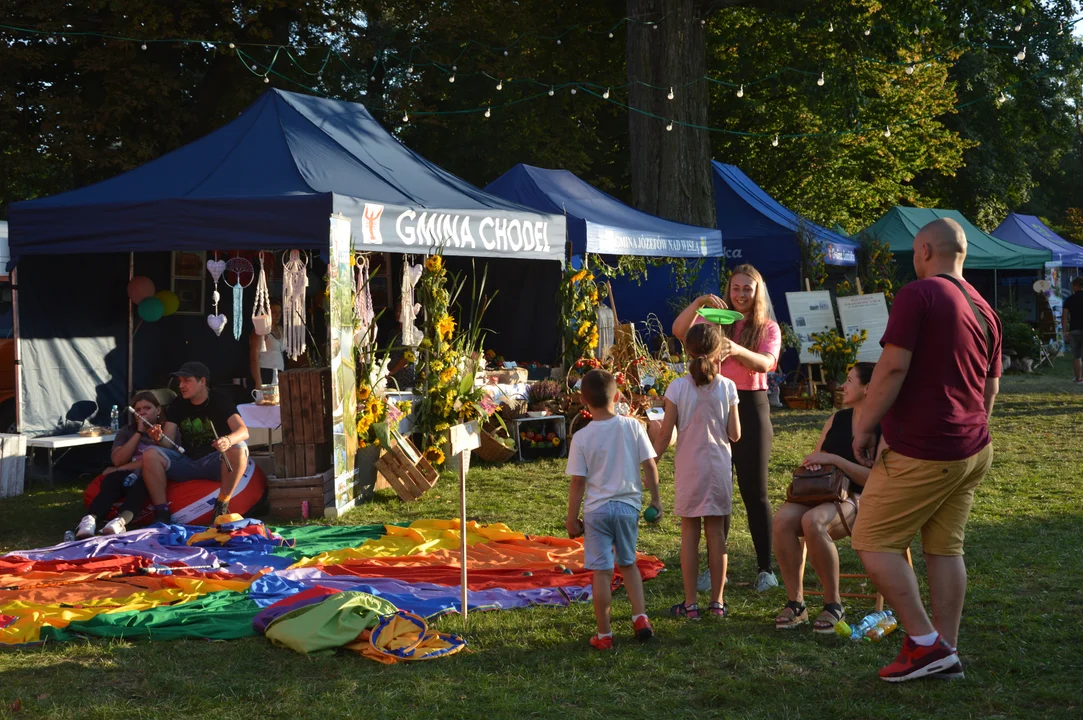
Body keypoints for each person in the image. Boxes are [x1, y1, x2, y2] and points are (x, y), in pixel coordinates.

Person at [851, 218, 1001, 683]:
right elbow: (991, 387)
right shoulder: (985, 308)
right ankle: (946, 650)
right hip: (972, 448)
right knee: (944, 548)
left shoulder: (920, 294)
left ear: (924, 251)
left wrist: (862, 424)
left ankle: (924, 643)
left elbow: (892, 369)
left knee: (872, 541)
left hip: (926, 448)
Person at [673, 264, 782, 592]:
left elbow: (767, 363)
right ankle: (715, 569)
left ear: (757, 292)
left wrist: (736, 350)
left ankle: (766, 568)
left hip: (751, 405)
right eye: (735, 288)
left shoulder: (768, 327)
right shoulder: (713, 319)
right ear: (728, 289)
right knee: (717, 494)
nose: (741, 295)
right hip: (716, 405)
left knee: (755, 491)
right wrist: (699, 303)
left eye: (747, 289)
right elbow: (680, 331)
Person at [772, 362, 880, 632]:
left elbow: (876, 478)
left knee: (813, 521)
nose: (843, 385)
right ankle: (796, 603)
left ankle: (834, 605)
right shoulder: (837, 419)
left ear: (868, 388)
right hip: (825, 493)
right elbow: (817, 456)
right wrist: (813, 464)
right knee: (782, 520)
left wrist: (833, 459)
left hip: (862, 497)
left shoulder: (883, 426)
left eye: (850, 380)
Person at [566, 369, 662, 650]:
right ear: (617, 396)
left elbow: (577, 483)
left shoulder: (582, 438)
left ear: (583, 402)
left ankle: (605, 635)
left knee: (602, 573)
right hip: (628, 507)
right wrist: (656, 500)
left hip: (596, 512)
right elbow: (650, 465)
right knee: (629, 563)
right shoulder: (633, 426)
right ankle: (641, 617)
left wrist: (572, 519)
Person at [652, 323, 741, 620]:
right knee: (716, 535)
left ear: (686, 351)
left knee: (689, 534)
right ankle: (717, 603)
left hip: (689, 467)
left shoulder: (677, 387)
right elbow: (735, 433)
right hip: (717, 466)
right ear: (718, 352)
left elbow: (665, 433)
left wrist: (652, 460)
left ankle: (690, 604)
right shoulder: (727, 386)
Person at [142, 361, 250, 523]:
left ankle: (221, 505)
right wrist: (159, 438)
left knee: (239, 448)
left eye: (187, 381)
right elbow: (169, 443)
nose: (182, 386)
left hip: (215, 460)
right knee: (150, 453)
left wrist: (227, 441)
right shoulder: (178, 404)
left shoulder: (220, 400)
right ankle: (162, 513)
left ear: (202, 381)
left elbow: (243, 431)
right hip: (188, 460)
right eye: (180, 381)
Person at [73, 392, 163, 538]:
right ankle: (90, 520)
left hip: (149, 474)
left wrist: (119, 468)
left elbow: (153, 460)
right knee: (111, 481)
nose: (142, 413)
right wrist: (139, 432)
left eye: (147, 408)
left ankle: (119, 522)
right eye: (138, 410)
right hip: (126, 473)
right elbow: (118, 459)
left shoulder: (166, 430)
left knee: (141, 485)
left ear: (158, 410)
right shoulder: (126, 431)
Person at [250, 302, 285, 388]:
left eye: (279, 312)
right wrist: (258, 382)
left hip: (279, 371)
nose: (277, 315)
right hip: (266, 371)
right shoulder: (260, 330)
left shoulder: (281, 329)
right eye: (274, 312)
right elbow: (254, 357)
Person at [1061, 276, 1083, 383]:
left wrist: (1065, 331)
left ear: (1075, 286)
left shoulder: (1069, 300)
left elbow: (1064, 317)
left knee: (1077, 356)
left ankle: (1079, 378)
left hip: (1074, 330)